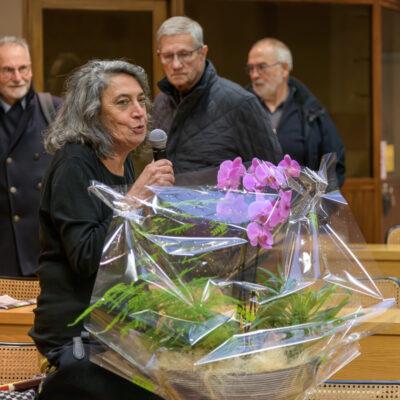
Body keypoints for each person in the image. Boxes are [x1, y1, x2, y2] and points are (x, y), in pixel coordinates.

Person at [29, 60, 174, 400]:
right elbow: (87, 258)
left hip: (118, 329)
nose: (139, 112)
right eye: (123, 103)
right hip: (79, 337)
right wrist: (135, 198)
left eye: (141, 100)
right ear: (92, 115)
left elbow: (126, 247)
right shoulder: (74, 164)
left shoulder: (122, 163)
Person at [152, 16, 282, 174]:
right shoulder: (160, 103)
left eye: (184, 54)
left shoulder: (240, 103)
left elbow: (273, 176)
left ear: (203, 53)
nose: (176, 64)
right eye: (167, 56)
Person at [0, 36, 62, 277]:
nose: (17, 77)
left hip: (44, 250)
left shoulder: (55, 110)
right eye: (8, 70)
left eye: (23, 68)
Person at [247, 38, 345, 187]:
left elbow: (335, 165)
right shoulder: (241, 110)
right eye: (250, 68)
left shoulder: (311, 112)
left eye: (262, 67)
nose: (254, 75)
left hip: (301, 201)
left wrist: (317, 198)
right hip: (254, 201)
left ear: (284, 69)